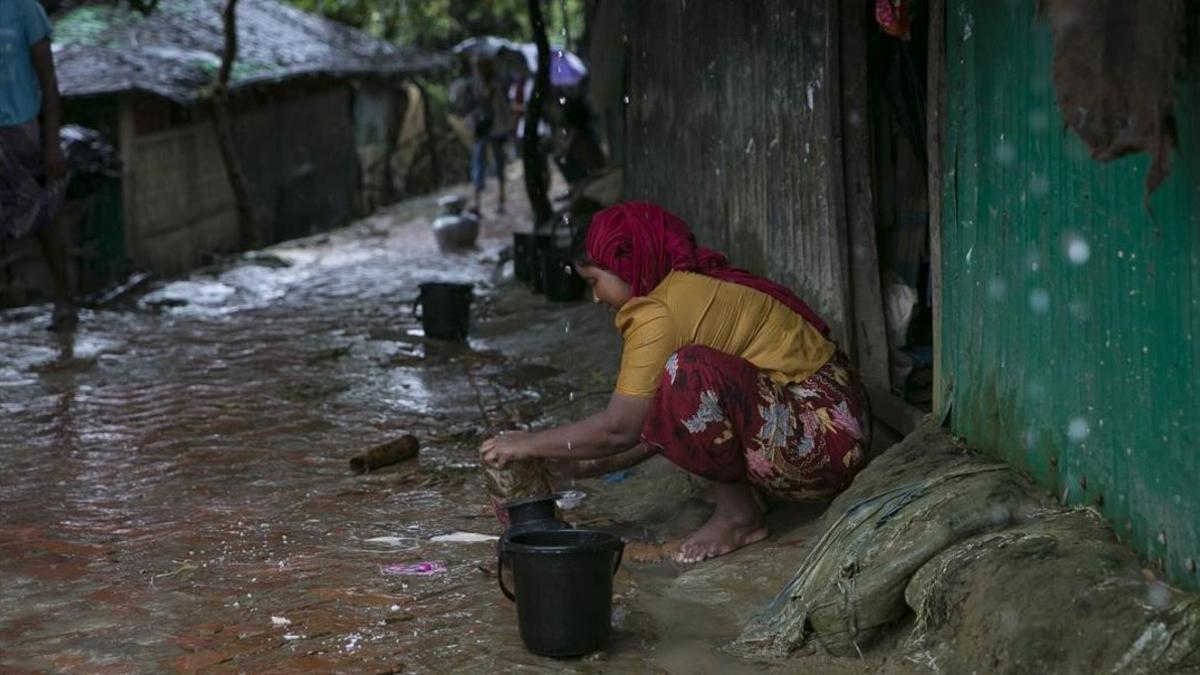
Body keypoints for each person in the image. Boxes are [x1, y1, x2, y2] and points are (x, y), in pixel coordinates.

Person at [480, 203, 869, 564]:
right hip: (829, 425)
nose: (595, 298)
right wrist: (575, 463)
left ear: (625, 265)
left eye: (594, 281)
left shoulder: (659, 313)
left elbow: (620, 428)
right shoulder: (681, 288)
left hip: (825, 449)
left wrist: (527, 442)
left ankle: (739, 518)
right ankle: (744, 504)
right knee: (678, 383)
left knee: (688, 373)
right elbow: (658, 424)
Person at [1, 0, 74, 330]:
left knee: (43, 218)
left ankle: (63, 302)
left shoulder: (23, 9)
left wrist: (53, 143)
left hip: (21, 129)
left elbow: (48, 80)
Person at [467, 58, 512, 214]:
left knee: (498, 164)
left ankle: (501, 200)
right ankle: (477, 203)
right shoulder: (476, 84)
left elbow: (499, 106)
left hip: (496, 129)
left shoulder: (496, 84)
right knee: (478, 164)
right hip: (483, 129)